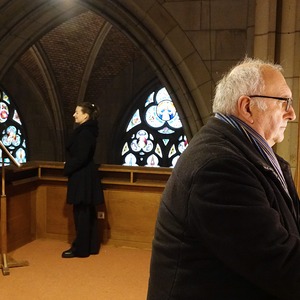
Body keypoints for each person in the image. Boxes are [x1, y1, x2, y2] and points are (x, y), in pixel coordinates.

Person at [147, 57, 300, 299]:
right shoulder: (219, 168)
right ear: (247, 107)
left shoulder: (250, 155)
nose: (291, 114)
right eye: (284, 102)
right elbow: (280, 264)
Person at [62, 102, 104, 258]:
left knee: (81, 213)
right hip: (84, 174)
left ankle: (81, 249)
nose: (74, 114)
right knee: (86, 212)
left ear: (86, 115)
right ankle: (91, 246)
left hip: (82, 176)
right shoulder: (88, 130)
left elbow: (81, 157)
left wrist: (67, 167)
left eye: (77, 112)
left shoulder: (85, 133)